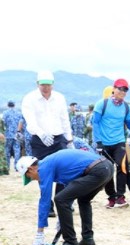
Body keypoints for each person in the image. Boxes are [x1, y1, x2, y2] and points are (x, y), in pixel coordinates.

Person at [18, 150, 114, 245]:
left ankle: (70, 242)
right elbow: (70, 190)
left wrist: (39, 233)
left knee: (60, 199)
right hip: (107, 167)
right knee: (83, 200)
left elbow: (45, 201)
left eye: (29, 177)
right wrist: (63, 216)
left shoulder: (43, 168)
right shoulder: (51, 163)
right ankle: (88, 239)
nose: (32, 179)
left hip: (97, 170)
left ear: (30, 169)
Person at [21, 70, 74, 218]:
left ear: (53, 84)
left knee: (64, 170)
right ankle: (48, 205)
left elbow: (64, 119)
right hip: (39, 139)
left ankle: (62, 201)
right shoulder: (29, 99)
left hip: (58, 139)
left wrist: (69, 140)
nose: (46, 88)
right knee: (42, 172)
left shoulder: (59, 98)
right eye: (43, 85)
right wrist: (41, 133)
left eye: (48, 85)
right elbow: (30, 121)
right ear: (37, 84)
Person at [93, 78, 130, 208]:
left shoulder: (126, 107)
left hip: (119, 141)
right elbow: (95, 123)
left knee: (122, 167)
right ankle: (111, 197)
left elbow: (129, 124)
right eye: (120, 88)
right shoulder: (102, 104)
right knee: (107, 170)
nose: (122, 92)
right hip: (104, 143)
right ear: (114, 89)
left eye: (125, 90)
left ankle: (120, 196)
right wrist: (98, 142)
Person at [2, 100, 23, 171]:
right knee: (17, 150)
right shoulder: (19, 113)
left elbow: (3, 123)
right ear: (14, 105)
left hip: (7, 134)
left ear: (8, 105)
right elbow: (21, 123)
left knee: (7, 150)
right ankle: (17, 167)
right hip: (17, 134)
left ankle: (7, 166)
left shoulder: (5, 113)